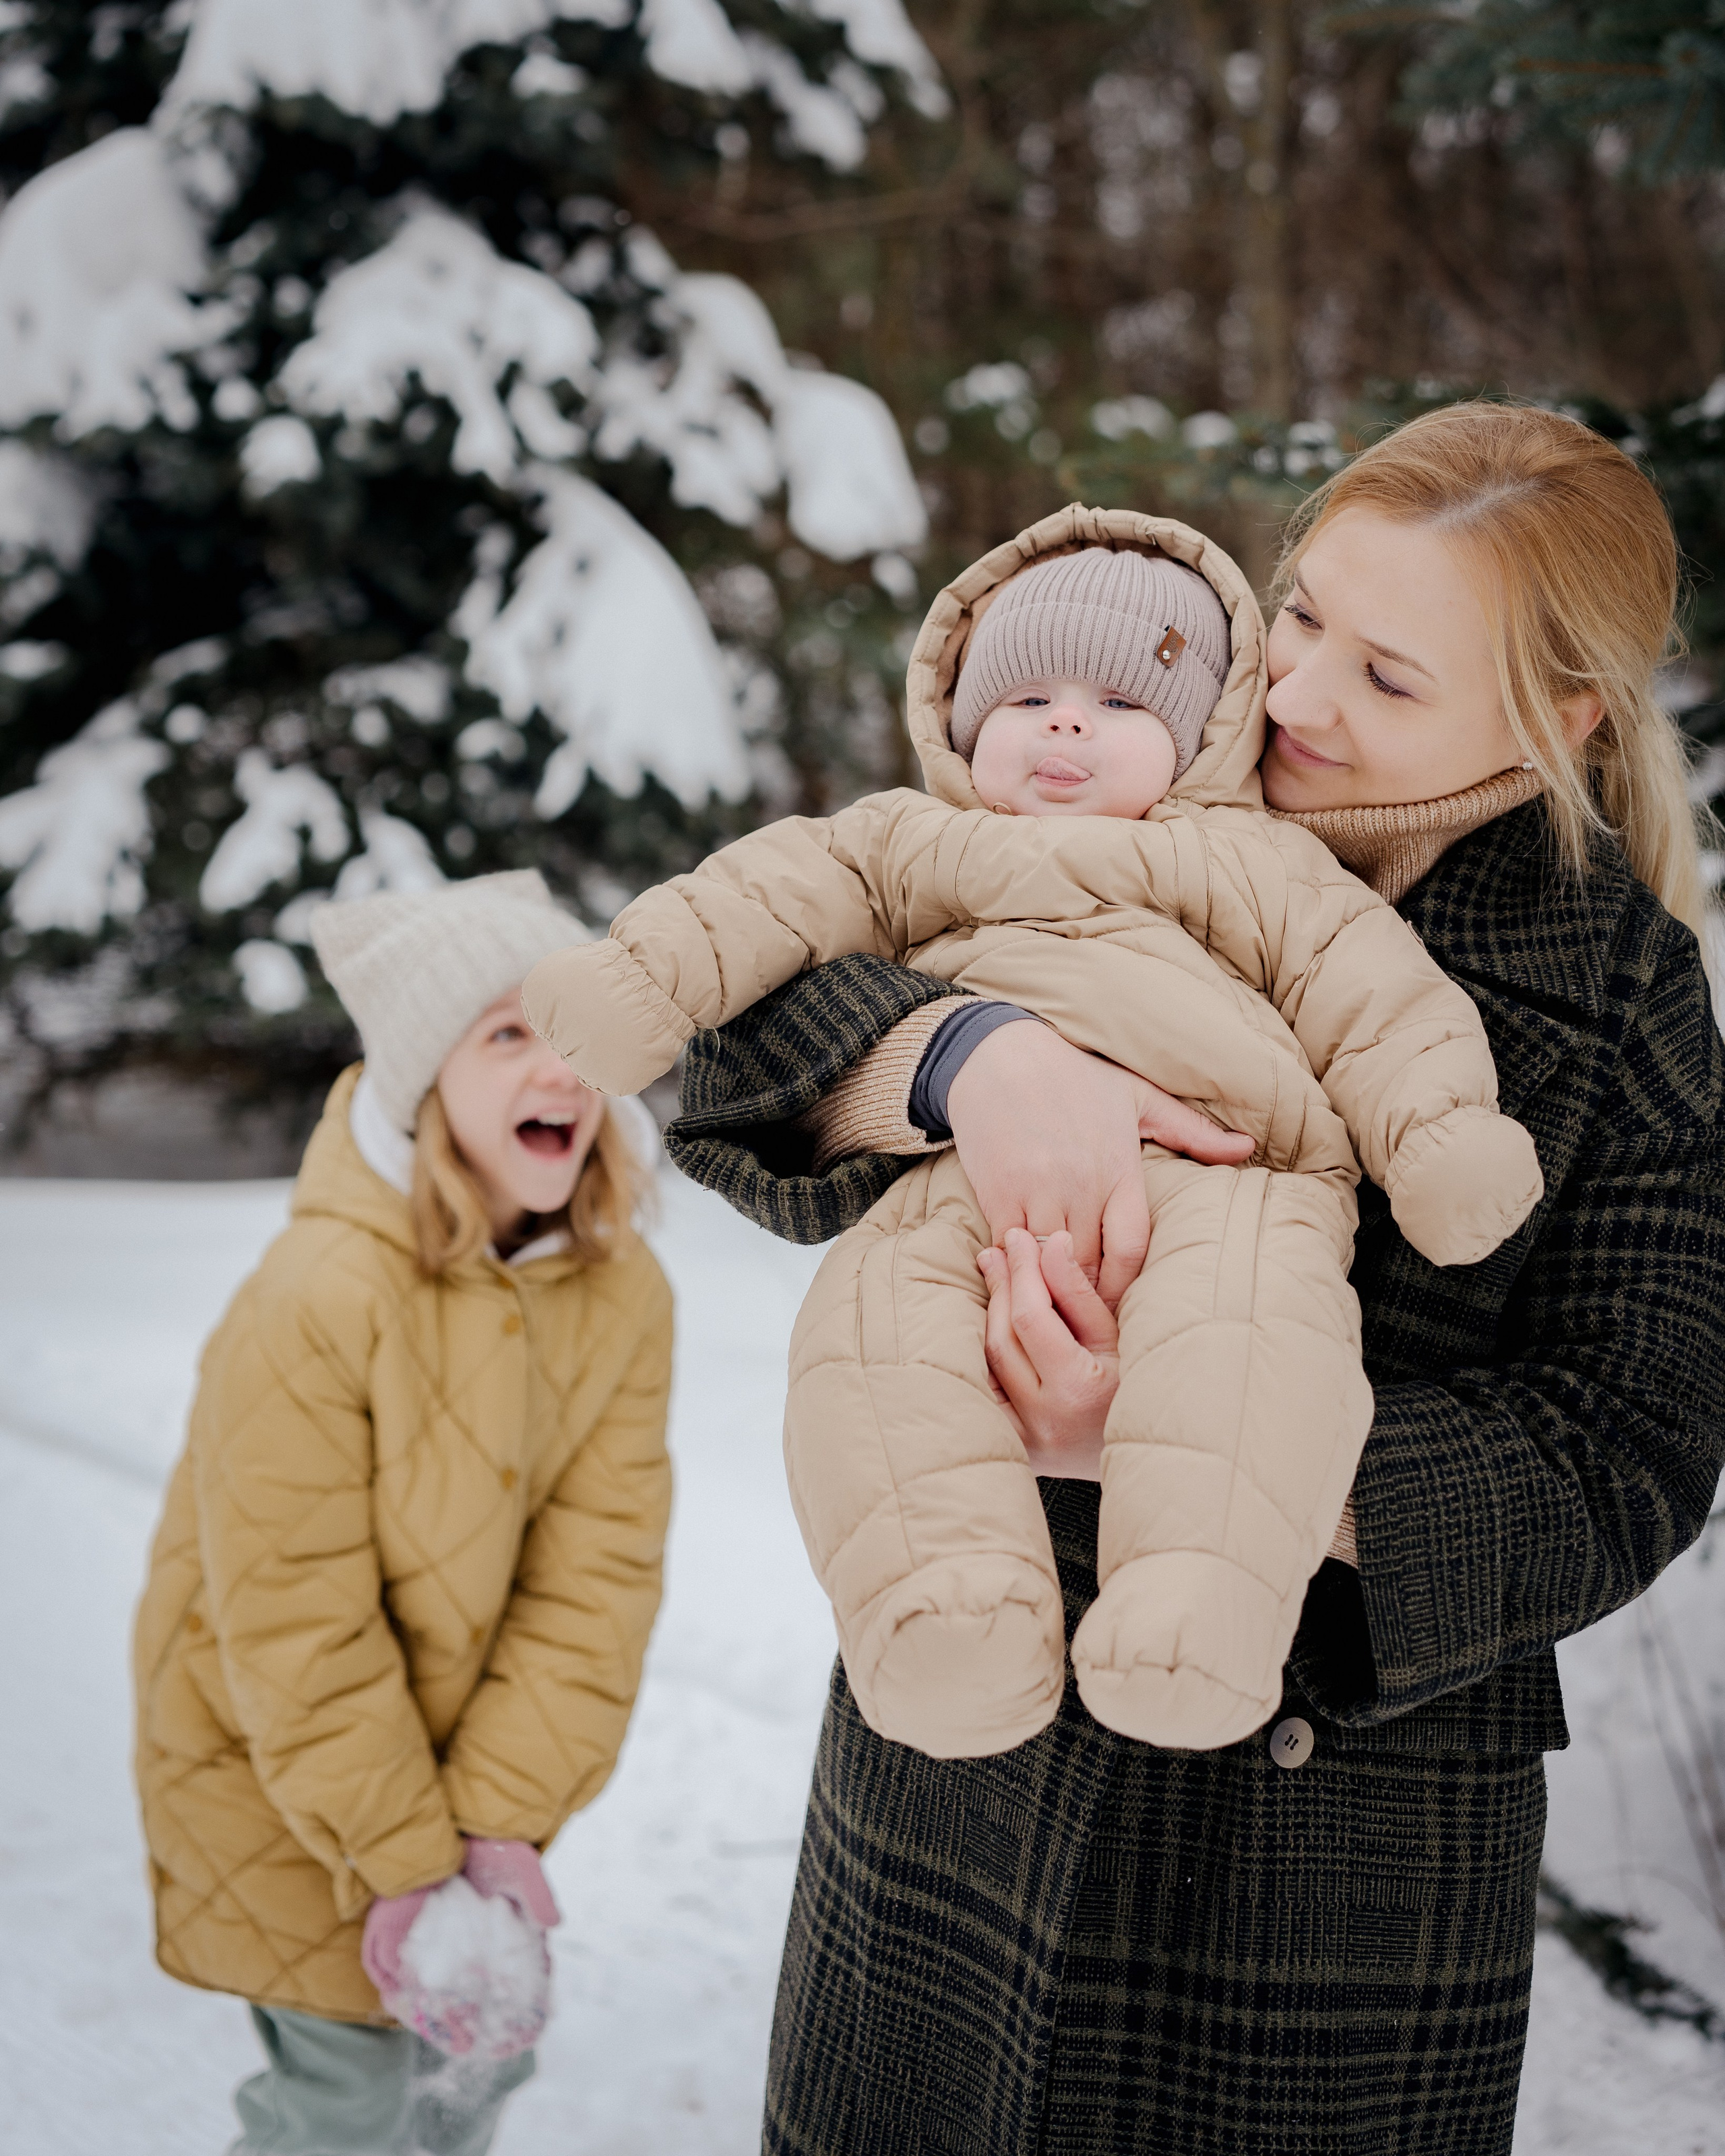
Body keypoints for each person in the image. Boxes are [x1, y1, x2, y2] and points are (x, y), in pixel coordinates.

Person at [666, 404, 1725, 2151]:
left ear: (1564, 718)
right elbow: (736, 1024)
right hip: (973, 1766)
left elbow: (1631, 1452)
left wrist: (1229, 1458)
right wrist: (971, 1065)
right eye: (1305, 615)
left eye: (1388, 676)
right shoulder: (1132, 749)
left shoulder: (1625, 993)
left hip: (1333, 1851)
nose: (1298, 696)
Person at [522, 521, 1544, 1765]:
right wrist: (641, 981)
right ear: (957, 716)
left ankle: (1200, 1617)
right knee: (872, 1342)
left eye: (1119, 699)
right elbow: (759, 901)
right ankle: (944, 1618)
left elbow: (1377, 1002)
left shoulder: (1255, 859)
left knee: (1248, 1352)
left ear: (1199, 733)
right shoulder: (909, 841)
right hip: (961, 1191)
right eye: (1027, 696)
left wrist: (1437, 1134)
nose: (1066, 724)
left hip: (1232, 1182)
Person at [131, 870, 673, 2156]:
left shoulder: (622, 1294)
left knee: (471, 2072)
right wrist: (401, 1858)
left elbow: (597, 1578)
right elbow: (292, 1611)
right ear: (425, 1080)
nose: (557, 1068)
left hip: (461, 1783)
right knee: (353, 2105)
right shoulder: (317, 1296)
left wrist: (491, 1825)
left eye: (574, 1029)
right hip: (279, 1767)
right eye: (506, 1034)